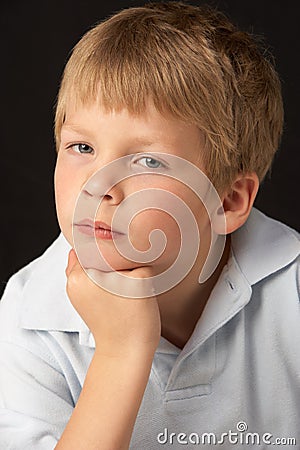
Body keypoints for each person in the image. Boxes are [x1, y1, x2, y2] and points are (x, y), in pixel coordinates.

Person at [0, 2, 299, 449]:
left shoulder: (291, 288)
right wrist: (121, 353)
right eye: (81, 147)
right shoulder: (28, 317)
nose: (99, 186)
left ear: (227, 200)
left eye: (147, 160)